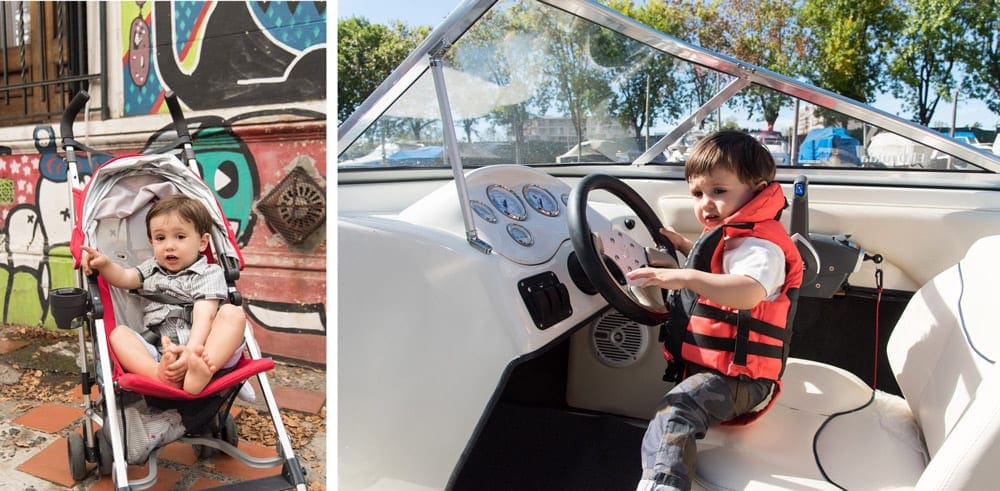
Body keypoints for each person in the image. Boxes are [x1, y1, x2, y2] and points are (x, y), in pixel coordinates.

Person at [628, 130, 804, 491]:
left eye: (718, 192)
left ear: (756, 189)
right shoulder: (738, 239)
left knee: (675, 410)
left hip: (745, 381)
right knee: (676, 410)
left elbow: (747, 291)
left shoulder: (761, 247)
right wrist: (685, 251)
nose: (706, 203)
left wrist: (684, 276)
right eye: (697, 193)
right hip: (726, 372)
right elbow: (722, 266)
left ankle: (663, 485)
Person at [80, 193, 247, 396]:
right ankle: (159, 375)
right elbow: (124, 277)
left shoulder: (208, 272)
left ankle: (200, 371)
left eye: (180, 237)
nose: (169, 245)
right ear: (152, 242)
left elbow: (206, 314)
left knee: (233, 313)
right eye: (160, 238)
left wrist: (192, 350)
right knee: (118, 334)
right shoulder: (151, 269)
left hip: (207, 349)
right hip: (162, 353)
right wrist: (105, 264)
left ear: (202, 242)